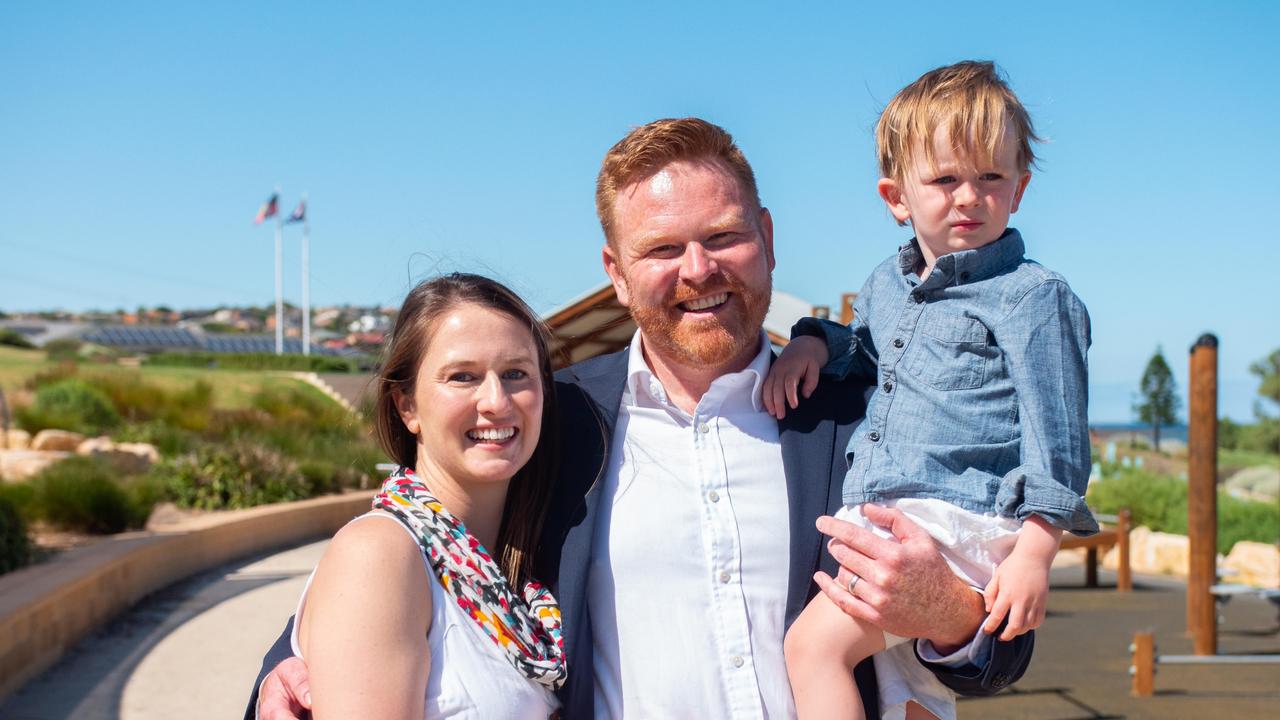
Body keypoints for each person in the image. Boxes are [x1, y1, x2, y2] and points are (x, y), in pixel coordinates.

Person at [248, 117, 1034, 719]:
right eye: (662, 250)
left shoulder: (865, 412)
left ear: (767, 237)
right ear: (615, 275)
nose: (699, 271)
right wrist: (283, 676)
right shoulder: (555, 422)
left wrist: (947, 611)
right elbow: (422, 548)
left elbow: (1004, 641)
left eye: (723, 236)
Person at [765, 61, 1096, 720]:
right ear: (897, 197)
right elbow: (862, 349)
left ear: (1020, 189)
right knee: (907, 694)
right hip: (896, 518)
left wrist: (1035, 552)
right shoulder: (887, 286)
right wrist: (809, 340)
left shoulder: (1033, 297)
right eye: (945, 179)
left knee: (812, 651)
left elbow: (1058, 439)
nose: (970, 197)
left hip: (959, 520)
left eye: (991, 178)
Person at [285, 273, 565, 718]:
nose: (496, 400)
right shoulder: (379, 556)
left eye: (515, 373)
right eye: (462, 377)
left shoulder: (521, 566)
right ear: (406, 406)